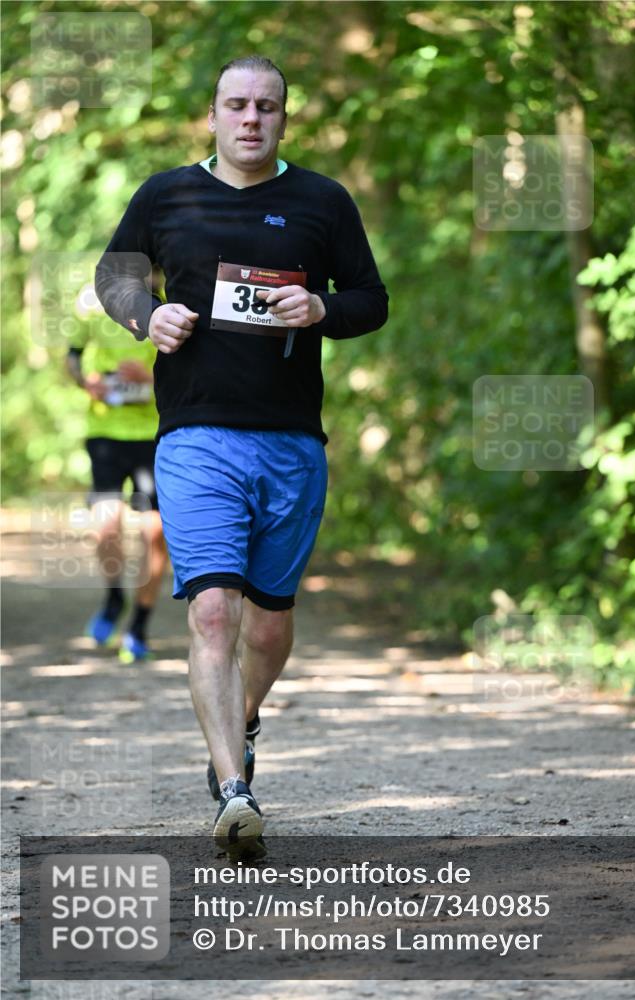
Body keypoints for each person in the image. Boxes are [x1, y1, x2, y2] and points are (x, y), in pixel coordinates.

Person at [95, 55, 388, 861]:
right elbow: (115, 276)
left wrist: (323, 305)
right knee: (214, 611)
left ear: (284, 119)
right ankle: (234, 790)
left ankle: (243, 718)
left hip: (292, 442)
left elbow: (372, 300)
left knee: (269, 623)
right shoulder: (166, 194)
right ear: (214, 115)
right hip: (195, 436)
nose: (250, 118)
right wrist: (145, 318)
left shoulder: (322, 201)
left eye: (266, 106)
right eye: (236, 104)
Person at [67, 280, 169, 662]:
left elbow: (198, 368)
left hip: (156, 432)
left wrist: (152, 380)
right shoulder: (90, 298)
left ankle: (139, 625)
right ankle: (114, 599)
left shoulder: (175, 294)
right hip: (106, 432)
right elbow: (72, 356)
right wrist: (85, 382)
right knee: (106, 525)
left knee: (154, 532)